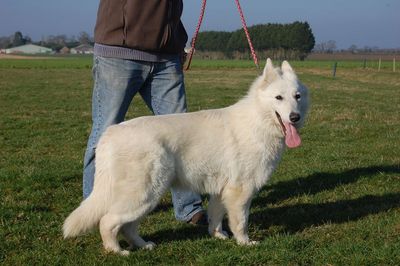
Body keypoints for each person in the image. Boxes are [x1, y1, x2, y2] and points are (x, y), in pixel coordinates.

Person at [82, 0, 206, 225]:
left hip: (166, 57)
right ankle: (94, 207)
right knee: (104, 131)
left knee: (183, 136)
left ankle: (189, 208)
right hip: (118, 52)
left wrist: (176, 44)